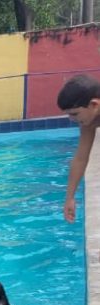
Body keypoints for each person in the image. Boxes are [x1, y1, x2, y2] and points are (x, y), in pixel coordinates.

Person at [58, 74, 100, 223]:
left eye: (75, 114)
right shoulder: (89, 122)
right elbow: (80, 158)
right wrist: (70, 197)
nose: (72, 119)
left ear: (94, 104)